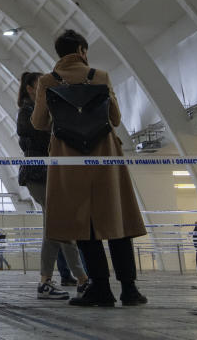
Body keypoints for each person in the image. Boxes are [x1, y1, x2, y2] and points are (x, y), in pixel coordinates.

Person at [32, 29, 147, 307]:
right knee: (117, 223)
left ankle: (100, 289)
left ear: (59, 53)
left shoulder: (48, 81)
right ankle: (129, 289)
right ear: (82, 50)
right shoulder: (101, 76)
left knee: (84, 226)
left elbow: (37, 122)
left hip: (70, 160)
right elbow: (115, 119)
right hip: (105, 158)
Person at [16, 71, 89, 299]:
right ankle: (60, 280)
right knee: (57, 225)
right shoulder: (28, 112)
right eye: (39, 84)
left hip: (50, 172)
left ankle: (74, 279)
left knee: (59, 225)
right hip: (38, 174)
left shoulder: (45, 111)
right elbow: (33, 137)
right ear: (30, 88)